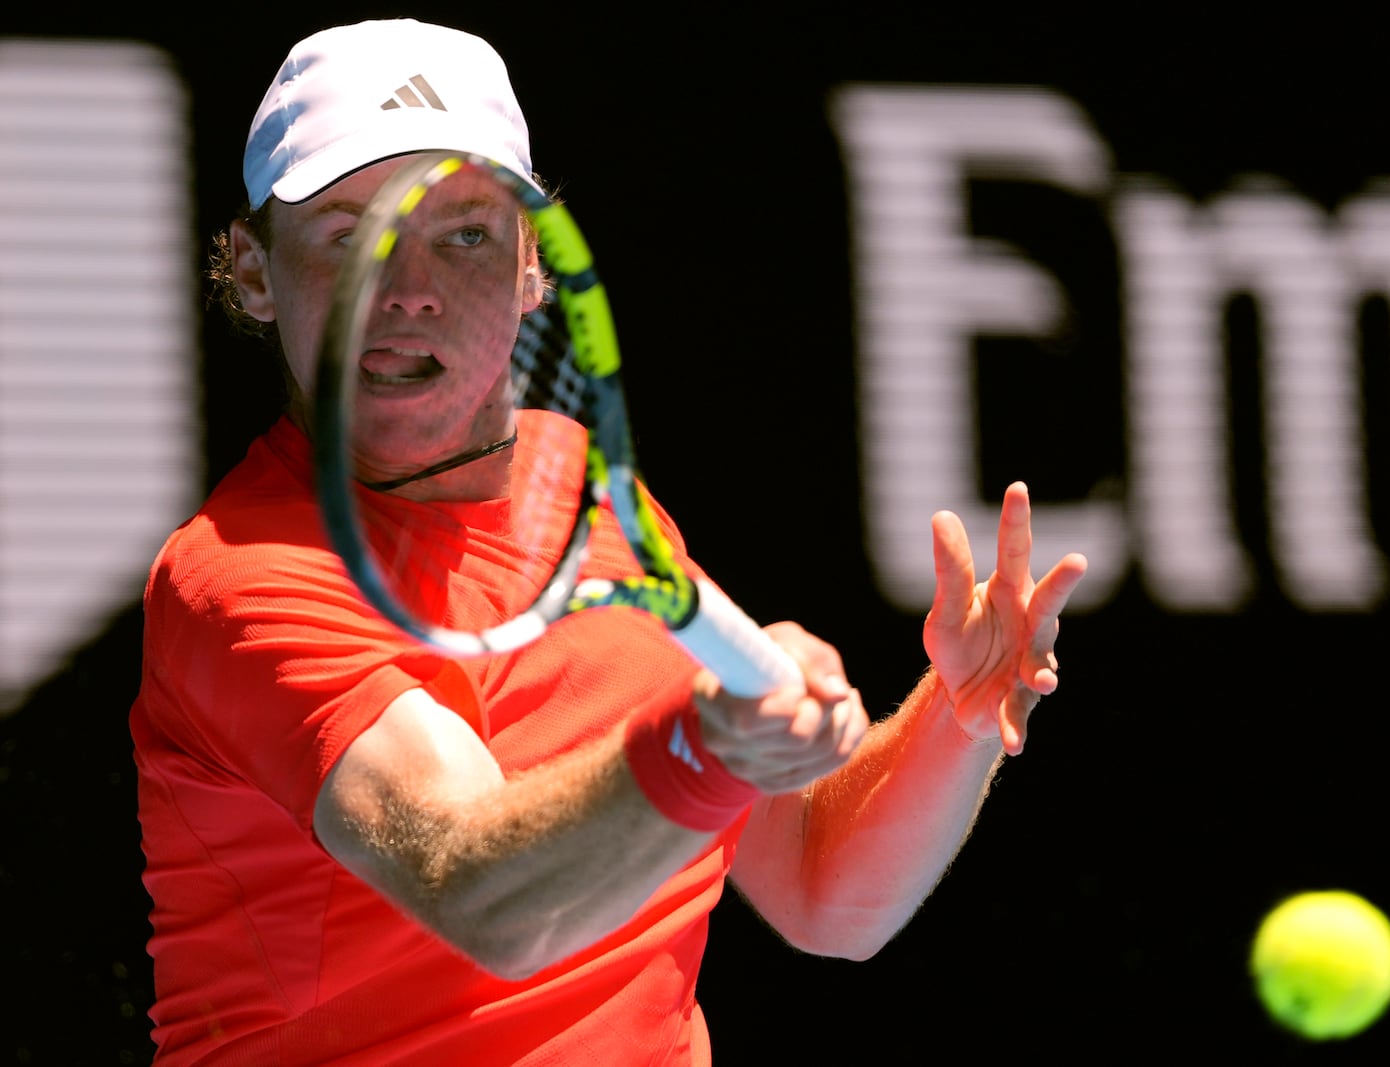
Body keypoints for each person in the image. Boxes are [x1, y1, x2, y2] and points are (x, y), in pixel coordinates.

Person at [131, 17, 1089, 1066]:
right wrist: (705, 747)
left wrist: (947, 722)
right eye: (351, 231)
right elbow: (476, 889)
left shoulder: (582, 491)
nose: (407, 287)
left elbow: (824, 885)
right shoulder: (239, 578)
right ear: (255, 270)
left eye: (463, 233)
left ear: (532, 268)